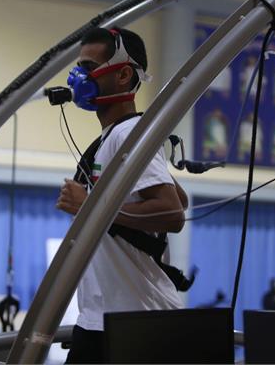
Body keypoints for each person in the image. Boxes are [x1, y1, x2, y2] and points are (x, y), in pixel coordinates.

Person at [55, 27, 189, 363]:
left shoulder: (128, 133)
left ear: (123, 74)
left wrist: (89, 207)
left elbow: (173, 213)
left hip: (134, 321)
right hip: (108, 318)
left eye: (88, 67)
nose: (78, 77)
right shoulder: (114, 137)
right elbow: (179, 199)